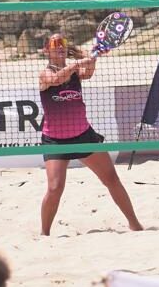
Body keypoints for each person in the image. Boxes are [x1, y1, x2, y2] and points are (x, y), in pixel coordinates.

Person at [38, 32, 143, 236]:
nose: (60, 46)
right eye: (55, 43)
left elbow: (88, 72)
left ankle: (134, 224)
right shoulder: (45, 74)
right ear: (46, 50)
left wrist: (92, 60)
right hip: (55, 141)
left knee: (111, 179)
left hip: (83, 136)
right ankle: (44, 233)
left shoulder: (75, 73)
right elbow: (57, 79)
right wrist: (78, 63)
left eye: (63, 43)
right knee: (54, 189)